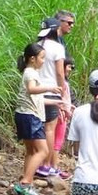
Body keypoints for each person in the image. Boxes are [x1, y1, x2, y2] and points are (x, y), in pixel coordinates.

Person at [13, 42, 62, 195]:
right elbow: (32, 89)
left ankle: (26, 182)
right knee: (43, 151)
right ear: (32, 59)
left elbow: (36, 97)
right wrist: (50, 88)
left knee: (31, 151)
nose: (44, 61)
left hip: (24, 114)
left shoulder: (30, 72)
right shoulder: (31, 73)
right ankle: (25, 183)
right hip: (30, 116)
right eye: (42, 58)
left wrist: (57, 103)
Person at [37, 17, 71, 177]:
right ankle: (46, 164)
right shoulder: (57, 47)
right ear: (56, 30)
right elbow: (59, 72)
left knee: (38, 129)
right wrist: (63, 92)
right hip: (52, 91)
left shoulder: (37, 46)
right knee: (50, 129)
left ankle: (37, 162)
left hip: (36, 92)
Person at [53, 56, 76, 161]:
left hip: (61, 111)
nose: (70, 70)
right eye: (69, 67)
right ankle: (52, 166)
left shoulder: (60, 81)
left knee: (56, 139)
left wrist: (69, 106)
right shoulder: (61, 83)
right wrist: (65, 108)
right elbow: (61, 97)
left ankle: (51, 165)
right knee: (57, 140)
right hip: (61, 113)